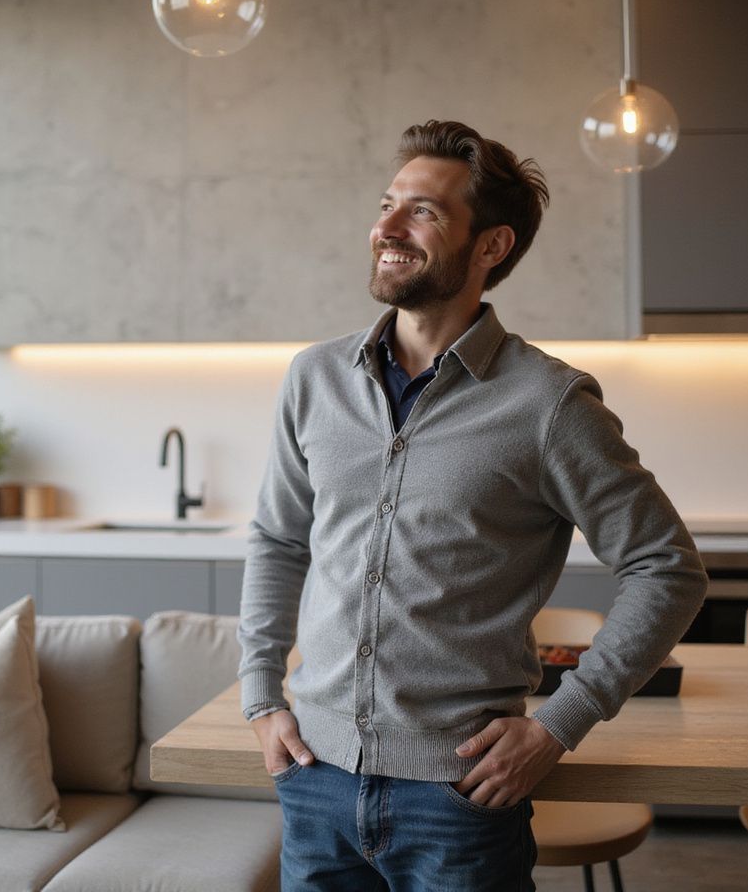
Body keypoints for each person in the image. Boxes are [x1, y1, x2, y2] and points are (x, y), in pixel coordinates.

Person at [236, 119, 708, 892]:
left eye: (421, 211)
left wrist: (560, 722)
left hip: (456, 799)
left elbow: (667, 567)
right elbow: (279, 541)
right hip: (312, 778)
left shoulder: (550, 404)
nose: (384, 227)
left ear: (490, 246)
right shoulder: (313, 378)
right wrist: (260, 695)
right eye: (388, 203)